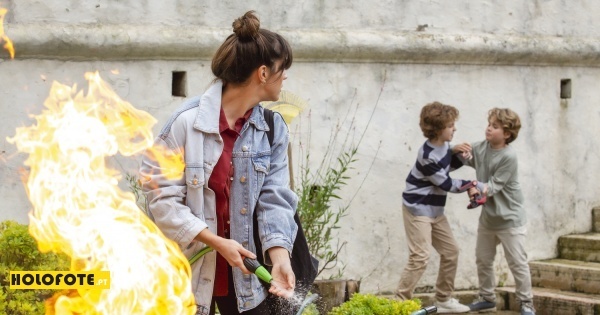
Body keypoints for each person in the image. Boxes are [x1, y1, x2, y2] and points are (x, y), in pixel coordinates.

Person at [139, 11, 298, 315]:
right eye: (283, 68)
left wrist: (280, 259)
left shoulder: (273, 129)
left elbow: (274, 199)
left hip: (248, 284)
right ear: (263, 73)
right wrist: (215, 242)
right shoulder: (184, 125)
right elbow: (162, 201)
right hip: (188, 279)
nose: (286, 76)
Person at [457, 108, 535, 315]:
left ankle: (526, 303)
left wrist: (474, 185)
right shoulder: (480, 147)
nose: (489, 128)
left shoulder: (509, 156)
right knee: (483, 259)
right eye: (489, 124)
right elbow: (463, 158)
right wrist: (459, 151)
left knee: (517, 263)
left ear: (507, 134)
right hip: (489, 219)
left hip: (511, 219)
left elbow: (493, 186)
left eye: (495, 126)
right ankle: (487, 298)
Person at [396, 101, 473, 314]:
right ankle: (400, 303)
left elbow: (448, 163)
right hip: (418, 209)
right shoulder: (427, 154)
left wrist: (459, 154)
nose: (454, 129)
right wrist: (474, 185)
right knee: (420, 257)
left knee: (451, 251)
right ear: (438, 129)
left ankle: (443, 299)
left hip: (435, 211)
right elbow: (446, 184)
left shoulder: (442, 147)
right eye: (450, 126)